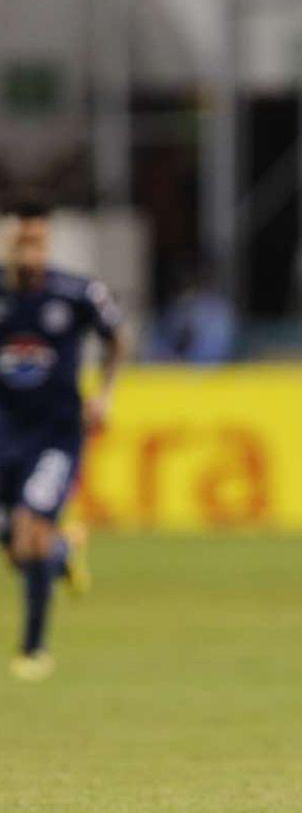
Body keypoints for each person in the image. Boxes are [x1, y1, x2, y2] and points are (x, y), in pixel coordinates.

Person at [0, 198, 126, 681]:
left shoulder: (76, 293)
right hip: (6, 433)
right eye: (21, 240)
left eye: (37, 240)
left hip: (55, 435)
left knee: (31, 524)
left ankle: (33, 649)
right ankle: (62, 554)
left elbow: (118, 337)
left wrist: (106, 393)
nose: (29, 250)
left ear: (47, 242)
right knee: (21, 546)